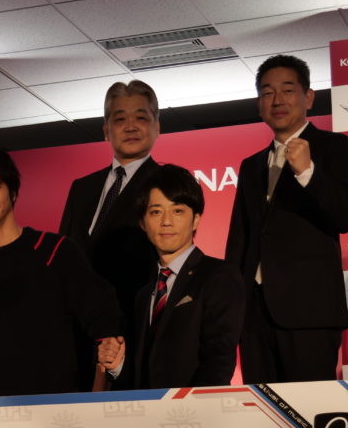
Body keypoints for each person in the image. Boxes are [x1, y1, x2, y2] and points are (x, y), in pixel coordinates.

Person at [0, 145, 121, 398]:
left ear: (12, 191)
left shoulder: (57, 251)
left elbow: (104, 320)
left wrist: (99, 390)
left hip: (55, 408)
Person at [225, 54, 348, 384]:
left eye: (287, 90)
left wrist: (308, 173)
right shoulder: (251, 165)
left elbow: (344, 217)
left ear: (308, 97)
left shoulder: (335, 147)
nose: (277, 100)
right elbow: (240, 239)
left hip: (309, 312)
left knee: (311, 409)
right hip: (254, 316)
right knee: (263, 409)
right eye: (267, 92)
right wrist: (233, 308)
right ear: (259, 104)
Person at [102, 165, 245, 388]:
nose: (166, 221)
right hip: (147, 407)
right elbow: (143, 372)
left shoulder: (219, 276)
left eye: (177, 211)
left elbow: (219, 361)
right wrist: (117, 366)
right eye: (156, 212)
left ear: (195, 219)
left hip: (194, 407)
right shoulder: (143, 292)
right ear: (142, 223)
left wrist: (190, 405)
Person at [58, 80, 162, 327]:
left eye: (141, 118)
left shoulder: (165, 184)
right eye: (120, 119)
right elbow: (64, 256)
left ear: (157, 126)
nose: (130, 127)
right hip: (79, 324)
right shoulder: (82, 188)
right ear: (106, 130)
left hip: (135, 323)